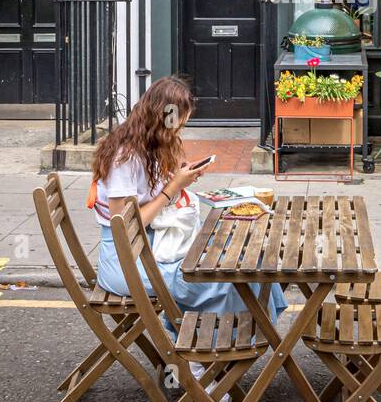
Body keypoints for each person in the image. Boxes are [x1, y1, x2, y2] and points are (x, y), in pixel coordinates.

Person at [88, 76, 287, 326]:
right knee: (225, 278)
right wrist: (173, 187)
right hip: (128, 263)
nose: (179, 131)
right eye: (178, 125)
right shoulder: (124, 157)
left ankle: (234, 338)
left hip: (157, 246)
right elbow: (124, 228)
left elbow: (150, 197)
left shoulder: (148, 145)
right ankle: (206, 350)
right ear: (163, 118)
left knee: (247, 258)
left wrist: (179, 177)